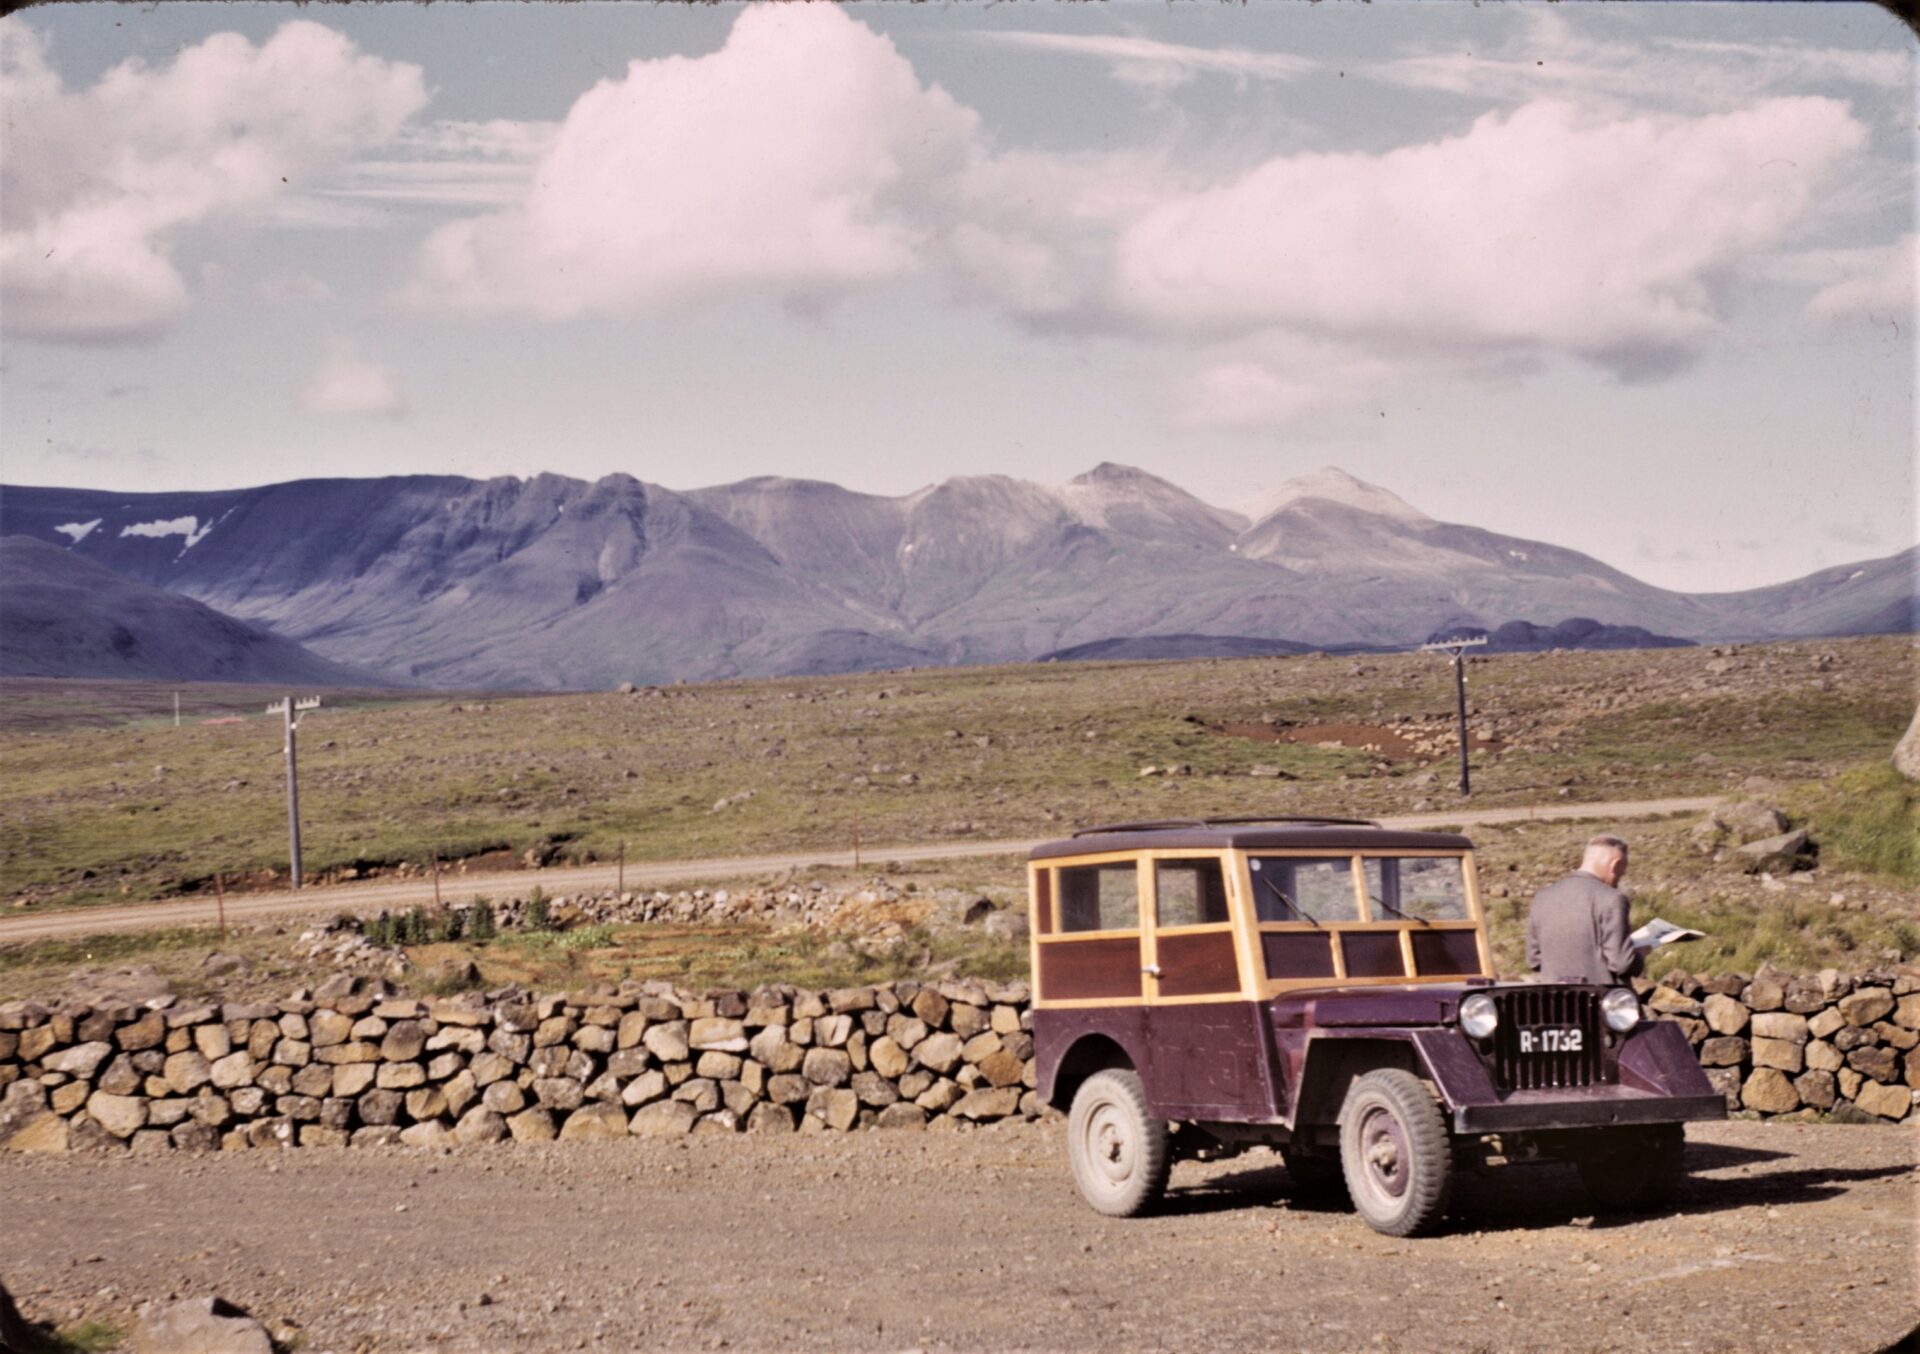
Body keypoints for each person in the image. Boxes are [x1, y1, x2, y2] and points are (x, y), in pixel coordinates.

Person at [1525, 833, 1643, 986]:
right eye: (1621, 874)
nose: (1618, 880)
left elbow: (1533, 960)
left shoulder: (1542, 897)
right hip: (1601, 1000)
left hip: (1553, 1001)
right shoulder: (1612, 898)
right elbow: (1621, 963)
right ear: (1615, 864)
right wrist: (1640, 956)